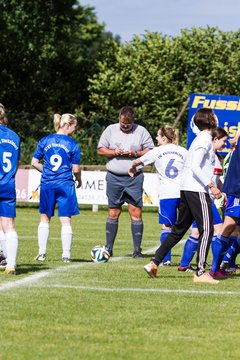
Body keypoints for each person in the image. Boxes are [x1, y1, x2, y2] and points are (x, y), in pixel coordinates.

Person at [143, 107, 222, 284]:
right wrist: (211, 185)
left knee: (179, 230)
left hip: (187, 188)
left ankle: (154, 262)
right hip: (196, 189)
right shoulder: (205, 140)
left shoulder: (200, 139)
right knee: (208, 229)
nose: (216, 117)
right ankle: (201, 272)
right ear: (209, 119)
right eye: (214, 115)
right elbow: (194, 165)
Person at [97, 105, 154, 257]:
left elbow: (151, 151)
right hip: (114, 177)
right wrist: (114, 152)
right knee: (113, 212)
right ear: (119, 118)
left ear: (133, 121)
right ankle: (109, 248)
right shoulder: (110, 129)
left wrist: (135, 153)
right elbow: (100, 149)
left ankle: (137, 250)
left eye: (128, 125)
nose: (125, 126)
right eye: (123, 123)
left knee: (136, 212)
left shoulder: (141, 131)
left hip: (134, 178)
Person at [128, 125, 188, 265]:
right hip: (184, 192)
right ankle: (186, 262)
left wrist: (132, 168)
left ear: (164, 138)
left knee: (167, 227)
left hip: (167, 194)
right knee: (191, 227)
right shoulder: (183, 151)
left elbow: (137, 161)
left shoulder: (157, 151)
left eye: (157, 135)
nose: (156, 138)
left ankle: (166, 260)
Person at [31, 113, 81, 262]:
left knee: (45, 218)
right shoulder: (72, 144)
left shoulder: (45, 140)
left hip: (48, 183)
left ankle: (41, 253)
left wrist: (47, 170)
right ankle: (66, 255)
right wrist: (79, 180)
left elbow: (34, 162)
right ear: (67, 125)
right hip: (65, 184)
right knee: (65, 220)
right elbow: (76, 169)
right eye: (74, 127)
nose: (74, 130)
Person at [178, 127, 228, 273]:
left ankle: (184, 264)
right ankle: (215, 267)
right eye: (223, 142)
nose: (225, 145)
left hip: (204, 197)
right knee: (217, 231)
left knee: (196, 231)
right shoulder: (208, 156)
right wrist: (213, 188)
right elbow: (209, 177)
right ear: (215, 139)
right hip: (203, 197)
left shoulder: (215, 158)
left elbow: (218, 180)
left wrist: (222, 191)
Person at [211, 129, 240, 275]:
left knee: (234, 229)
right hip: (237, 189)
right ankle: (215, 268)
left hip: (235, 187)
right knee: (228, 226)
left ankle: (224, 263)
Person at [0, 103, 21, 275]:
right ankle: (10, 264)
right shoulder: (14, 136)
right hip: (8, 184)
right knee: (8, 225)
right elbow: (17, 163)